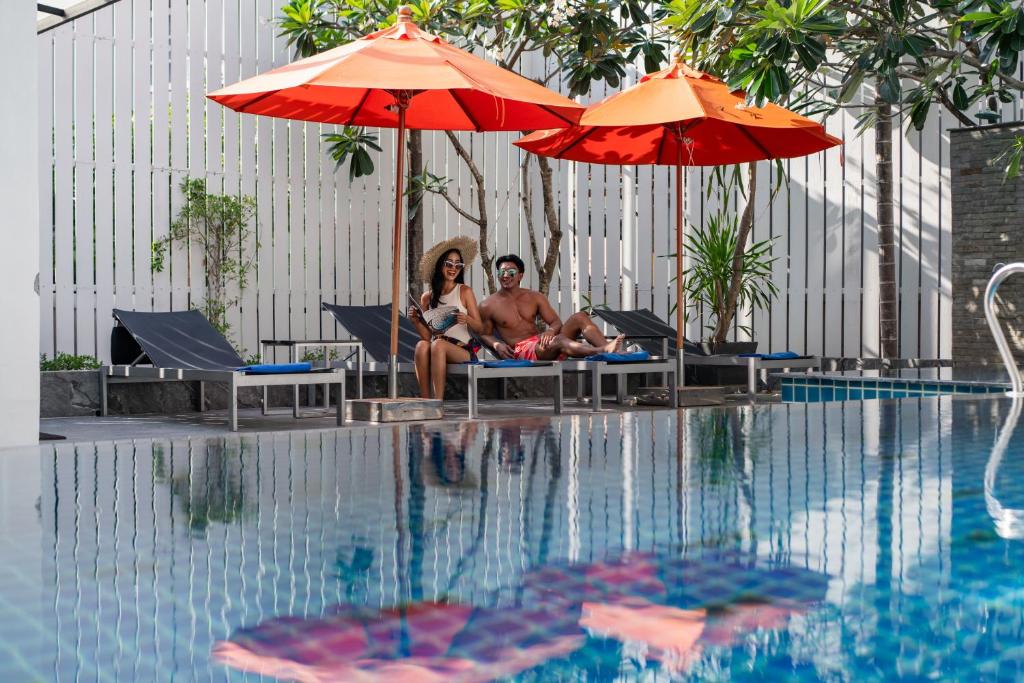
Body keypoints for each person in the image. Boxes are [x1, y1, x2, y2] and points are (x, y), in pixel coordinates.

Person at [478, 254, 624, 361]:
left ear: (520, 276)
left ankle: (612, 353)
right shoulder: (488, 305)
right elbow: (484, 334)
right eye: (501, 272)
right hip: (522, 351)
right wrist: (496, 344)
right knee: (559, 340)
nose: (505, 275)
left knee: (580, 317)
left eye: (511, 272)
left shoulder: (535, 297)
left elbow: (555, 322)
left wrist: (550, 331)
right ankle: (601, 351)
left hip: (542, 345)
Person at [408, 236, 485, 400]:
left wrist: (467, 319)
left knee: (438, 344)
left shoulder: (465, 291)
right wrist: (415, 321)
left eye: (458, 265)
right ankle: (426, 401)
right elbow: (427, 336)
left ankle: (438, 402)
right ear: (439, 265)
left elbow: (480, 328)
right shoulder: (427, 297)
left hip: (463, 351)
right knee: (421, 345)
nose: (453, 268)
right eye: (449, 264)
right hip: (437, 347)